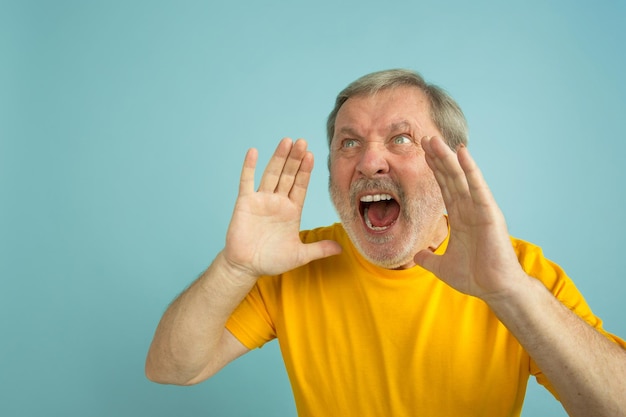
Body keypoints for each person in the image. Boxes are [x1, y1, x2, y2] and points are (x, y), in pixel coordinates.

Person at [145, 69, 626, 417]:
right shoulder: (291, 265)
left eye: (400, 139)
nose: (370, 161)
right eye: (348, 143)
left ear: (451, 164)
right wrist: (233, 269)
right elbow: (172, 368)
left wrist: (511, 293)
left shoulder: (518, 271)